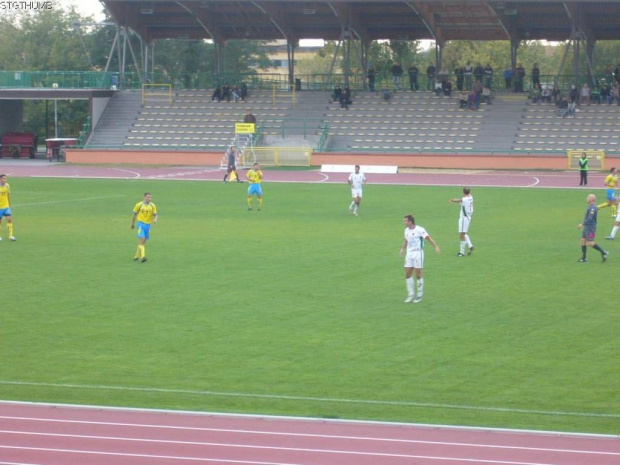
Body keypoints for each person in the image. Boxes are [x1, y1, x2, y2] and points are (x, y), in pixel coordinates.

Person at [399, 215, 441, 303]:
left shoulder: (420, 230)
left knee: (418, 274)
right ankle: (410, 295)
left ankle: (419, 295)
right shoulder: (406, 230)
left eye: (405, 221)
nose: (404, 223)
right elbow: (406, 241)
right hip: (409, 254)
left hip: (418, 253)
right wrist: (402, 249)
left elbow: (428, 238)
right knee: (407, 274)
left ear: (410, 222)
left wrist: (436, 246)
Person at [577, 194, 608, 263]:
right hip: (587, 227)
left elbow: (590, 218)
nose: (586, 198)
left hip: (591, 228)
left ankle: (604, 252)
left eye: (588, 197)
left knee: (590, 243)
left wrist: (582, 224)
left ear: (591, 199)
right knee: (583, 241)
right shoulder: (591, 207)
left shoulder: (593, 208)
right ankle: (584, 258)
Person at [131, 192, 158, 262]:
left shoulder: (152, 206)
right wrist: (133, 224)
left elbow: (155, 215)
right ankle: (143, 257)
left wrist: (155, 219)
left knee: (142, 242)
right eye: (148, 197)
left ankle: (136, 256)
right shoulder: (139, 205)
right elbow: (134, 214)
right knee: (142, 239)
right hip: (141, 224)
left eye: (150, 197)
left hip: (148, 226)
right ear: (145, 197)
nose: (150, 198)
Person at [450, 187, 474, 256]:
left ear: (463, 192)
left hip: (464, 218)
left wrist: (452, 200)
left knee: (462, 234)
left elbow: (460, 200)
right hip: (468, 217)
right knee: (464, 233)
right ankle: (470, 246)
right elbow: (461, 202)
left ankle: (462, 252)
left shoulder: (465, 199)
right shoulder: (470, 197)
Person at [0, 174, 16, 241]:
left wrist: (10, 205)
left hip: (6, 206)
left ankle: (11, 236)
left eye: (6, 179)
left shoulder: (7, 185)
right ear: (0, 179)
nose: (5, 180)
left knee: (9, 219)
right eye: (4, 178)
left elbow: (8, 195)